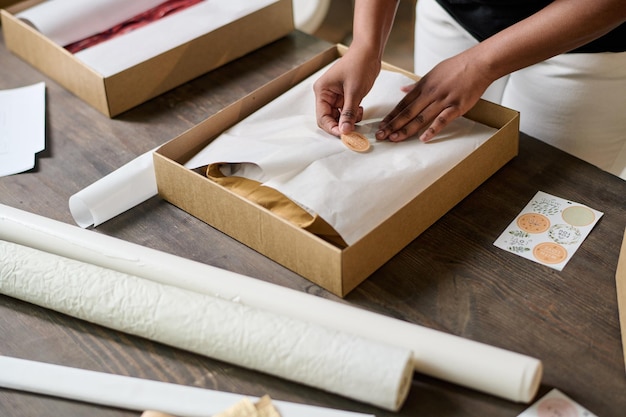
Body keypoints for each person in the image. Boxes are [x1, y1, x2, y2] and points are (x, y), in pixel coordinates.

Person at [313, 0, 626, 179]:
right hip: (453, 13)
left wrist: (478, 65)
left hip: (583, 42)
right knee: (438, 166)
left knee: (543, 189)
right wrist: (366, 43)